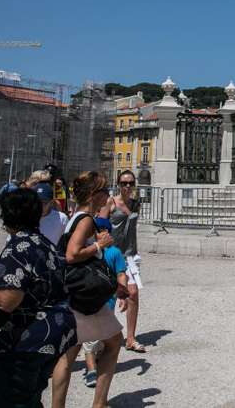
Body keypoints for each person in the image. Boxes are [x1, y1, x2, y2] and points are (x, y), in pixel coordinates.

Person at [0, 186, 76, 406]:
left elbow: (1, 304)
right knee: (30, 399)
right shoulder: (44, 244)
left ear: (6, 217)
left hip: (21, 346)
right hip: (49, 343)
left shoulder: (19, 249)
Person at [50, 171, 125, 408]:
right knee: (114, 343)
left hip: (72, 293)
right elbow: (72, 254)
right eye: (105, 191)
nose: (108, 195)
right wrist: (99, 245)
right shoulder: (85, 220)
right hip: (85, 296)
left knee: (68, 354)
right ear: (94, 195)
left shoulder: (75, 217)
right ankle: (99, 403)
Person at [81, 217, 128, 389]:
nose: (101, 233)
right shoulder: (88, 251)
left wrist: (123, 293)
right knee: (91, 339)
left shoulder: (114, 253)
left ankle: (97, 362)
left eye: (104, 229)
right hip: (90, 302)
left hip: (108, 302)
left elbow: (121, 273)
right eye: (97, 230)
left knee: (102, 338)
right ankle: (91, 370)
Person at [109, 170, 146, 353]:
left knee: (133, 293)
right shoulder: (111, 202)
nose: (127, 186)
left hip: (130, 255)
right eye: (124, 183)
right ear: (118, 184)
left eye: (131, 183)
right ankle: (100, 338)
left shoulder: (136, 203)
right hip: (113, 254)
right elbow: (100, 225)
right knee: (109, 297)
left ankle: (130, 338)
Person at [35, 182, 68, 246]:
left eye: (44, 203)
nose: (40, 206)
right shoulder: (27, 217)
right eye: (37, 202)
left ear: (51, 202)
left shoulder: (61, 218)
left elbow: (66, 242)